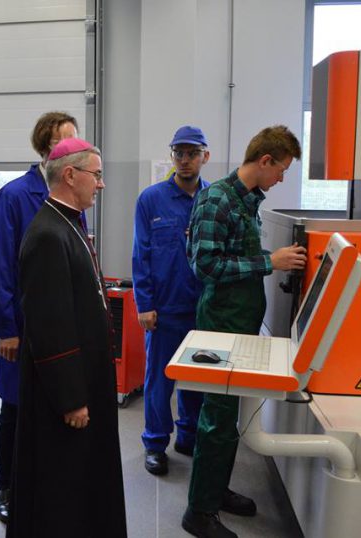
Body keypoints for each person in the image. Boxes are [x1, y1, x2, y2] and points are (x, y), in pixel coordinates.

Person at [181, 125, 307, 538]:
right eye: (282, 169)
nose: (282, 179)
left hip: (240, 322)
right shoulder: (217, 199)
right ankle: (199, 512)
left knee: (228, 415)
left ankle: (215, 490)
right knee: (217, 418)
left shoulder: (248, 200)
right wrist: (270, 262)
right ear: (264, 160)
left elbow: (235, 255)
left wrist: (270, 259)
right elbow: (204, 266)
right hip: (221, 323)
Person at [9, 138, 127, 537]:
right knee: (62, 483)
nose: (101, 184)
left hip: (86, 379)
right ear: (71, 175)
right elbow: (50, 326)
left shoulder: (68, 224)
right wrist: (71, 398)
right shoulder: (47, 234)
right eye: (97, 175)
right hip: (65, 392)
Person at [0, 111, 78, 523]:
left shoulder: (71, 195)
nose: (72, 147)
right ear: (45, 147)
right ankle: (8, 485)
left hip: (58, 326)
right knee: (16, 407)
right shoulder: (14, 196)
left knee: (51, 405)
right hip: (21, 328)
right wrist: (5, 327)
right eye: (63, 141)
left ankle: (41, 480)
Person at [132, 125, 211, 475]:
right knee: (159, 382)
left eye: (192, 153)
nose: (185, 160)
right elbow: (141, 255)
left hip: (203, 309)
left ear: (205, 156)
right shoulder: (151, 199)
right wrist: (145, 305)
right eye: (179, 153)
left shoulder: (213, 198)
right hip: (163, 311)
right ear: (172, 156)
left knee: (196, 378)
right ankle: (155, 443)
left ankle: (188, 436)